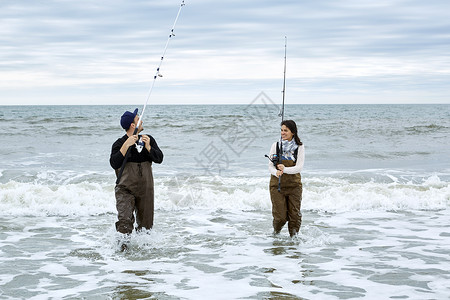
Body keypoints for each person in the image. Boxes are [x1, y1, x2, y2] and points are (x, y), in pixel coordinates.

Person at [110, 108, 163, 248]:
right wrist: (126, 145)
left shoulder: (148, 139)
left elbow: (159, 158)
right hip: (125, 189)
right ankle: (121, 254)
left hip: (145, 189)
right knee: (124, 222)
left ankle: (143, 258)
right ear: (133, 125)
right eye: (138, 118)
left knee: (146, 226)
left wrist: (149, 147)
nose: (141, 119)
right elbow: (114, 163)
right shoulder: (118, 143)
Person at [268, 120, 305, 237]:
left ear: (293, 132)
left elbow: (299, 168)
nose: (282, 133)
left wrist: (285, 169)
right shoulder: (276, 145)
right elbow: (270, 167)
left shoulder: (299, 147)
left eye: (286, 130)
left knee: (295, 217)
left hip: (294, 186)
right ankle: (276, 235)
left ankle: (293, 243)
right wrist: (275, 172)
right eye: (281, 130)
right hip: (277, 186)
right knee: (280, 218)